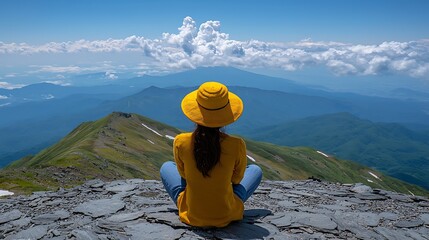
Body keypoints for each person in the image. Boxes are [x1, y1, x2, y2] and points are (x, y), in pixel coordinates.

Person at [160, 81, 262, 228]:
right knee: (255, 170)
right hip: (226, 214)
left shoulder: (181, 141)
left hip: (192, 214)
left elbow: (183, 175)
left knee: (166, 166)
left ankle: (194, 202)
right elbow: (237, 179)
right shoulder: (236, 144)